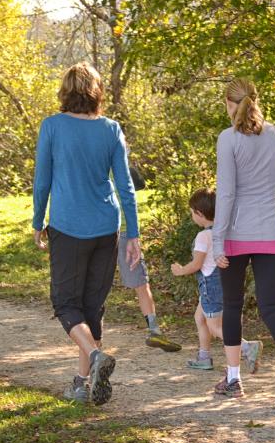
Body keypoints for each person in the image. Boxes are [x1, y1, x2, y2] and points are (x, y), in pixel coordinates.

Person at [32, 61, 139, 405]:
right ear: (96, 93)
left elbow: (42, 181)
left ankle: (94, 359)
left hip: (67, 226)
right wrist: (133, 232)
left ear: (65, 92)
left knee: (65, 304)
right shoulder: (110, 129)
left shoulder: (52, 127)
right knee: (92, 307)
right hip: (105, 227)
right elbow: (126, 186)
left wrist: (37, 222)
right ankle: (82, 383)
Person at [211, 78, 275, 406]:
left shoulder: (228, 140)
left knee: (233, 305)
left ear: (229, 104)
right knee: (270, 307)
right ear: (256, 100)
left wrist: (218, 239)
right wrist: (267, 212)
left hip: (238, 232)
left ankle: (234, 379)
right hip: (273, 230)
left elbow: (226, 192)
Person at [170, 188, 263, 371]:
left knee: (215, 327)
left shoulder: (203, 236)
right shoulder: (223, 232)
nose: (192, 216)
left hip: (210, 287)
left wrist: (180, 270)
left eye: (192, 212)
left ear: (200, 213)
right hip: (222, 282)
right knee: (199, 317)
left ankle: (248, 347)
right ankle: (204, 357)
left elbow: (197, 264)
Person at [117, 167, 182, 353]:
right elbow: (137, 188)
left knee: (100, 284)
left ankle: (88, 330)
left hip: (101, 230)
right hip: (122, 232)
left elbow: (139, 183)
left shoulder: (95, 163)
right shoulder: (120, 165)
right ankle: (154, 329)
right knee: (141, 284)